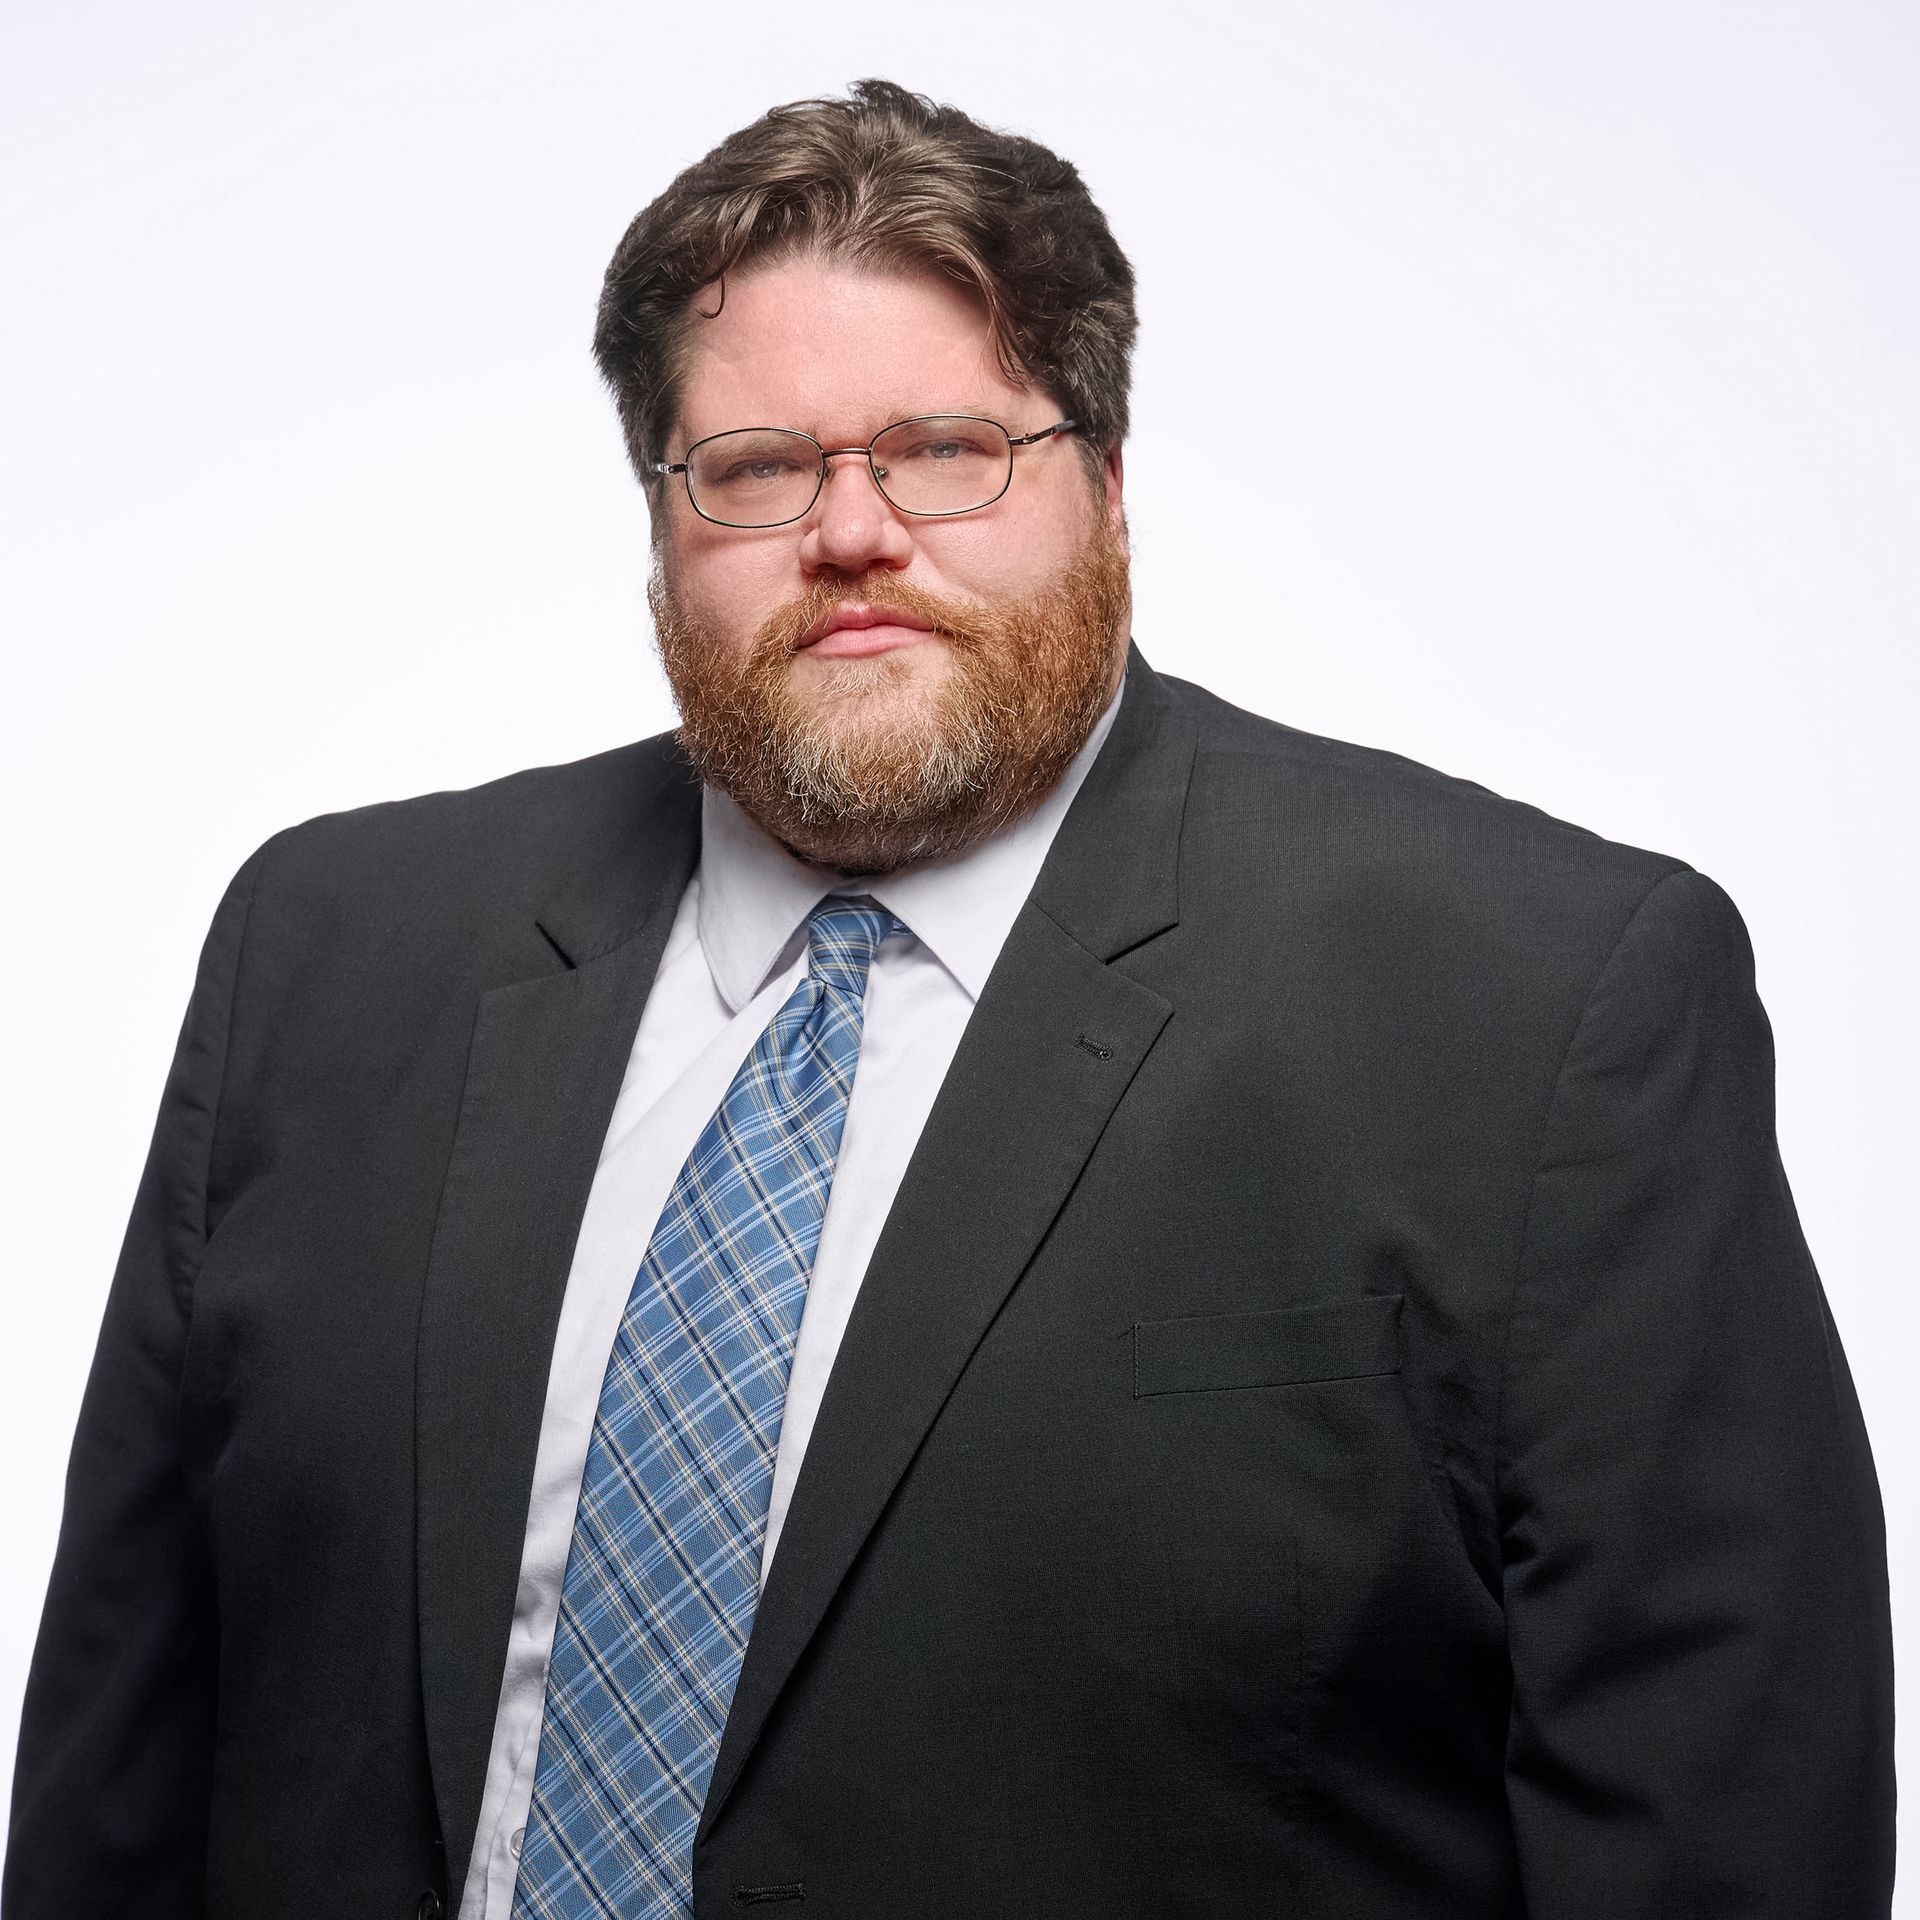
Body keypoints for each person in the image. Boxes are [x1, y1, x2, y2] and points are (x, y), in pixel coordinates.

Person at [5, 78, 1894, 1920]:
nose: (850, 533)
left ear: (1111, 481)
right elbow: (118, 1774)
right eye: (754, 470)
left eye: (946, 448)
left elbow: (1718, 1837)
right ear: (662, 519)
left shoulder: (1541, 1001)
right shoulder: (330, 952)